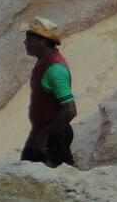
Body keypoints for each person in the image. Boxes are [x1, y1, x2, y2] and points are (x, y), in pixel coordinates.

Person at [21, 17, 78, 168]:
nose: (25, 42)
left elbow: (70, 110)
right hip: (43, 131)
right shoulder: (43, 60)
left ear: (42, 41)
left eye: (29, 38)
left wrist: (44, 136)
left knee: (58, 177)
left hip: (54, 136)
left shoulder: (55, 70)